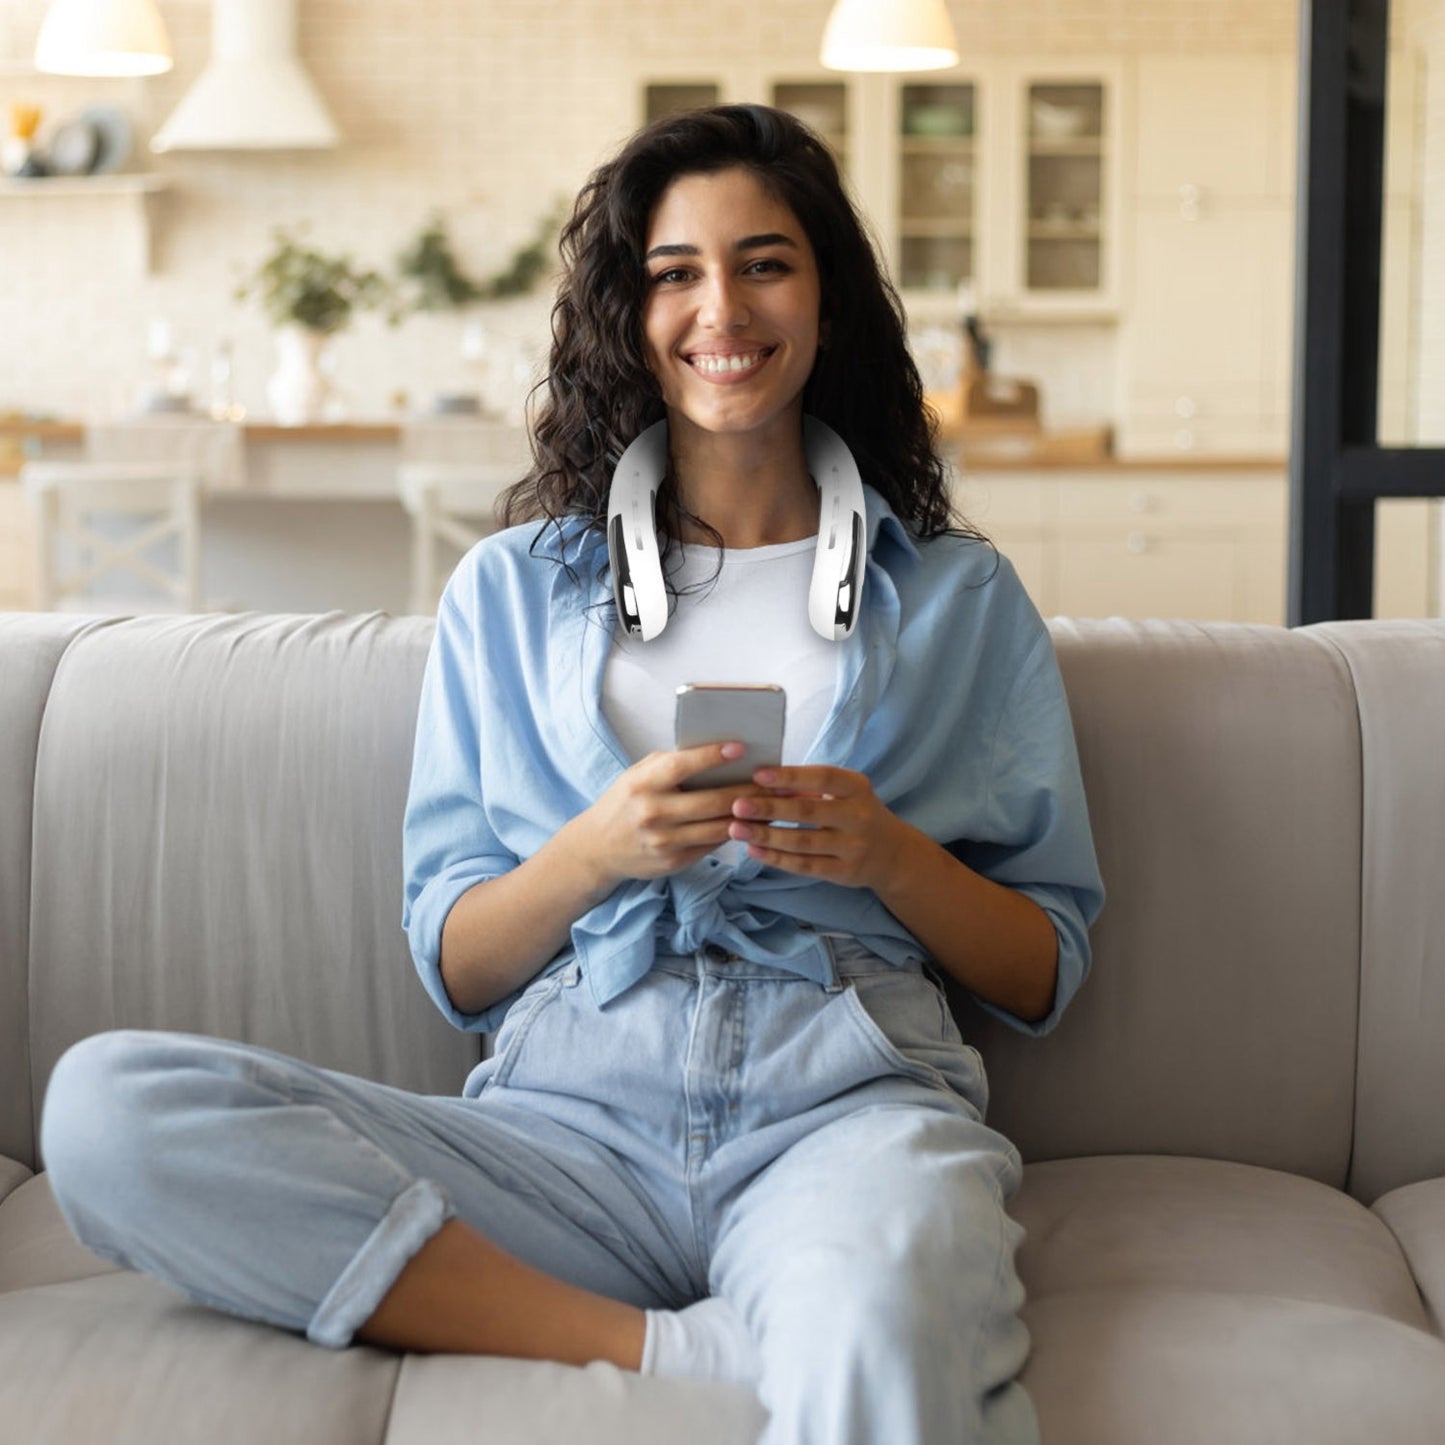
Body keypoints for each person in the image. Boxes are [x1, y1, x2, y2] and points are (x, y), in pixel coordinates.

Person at [40, 104, 1103, 1445]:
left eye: (765, 261)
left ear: (827, 299)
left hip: (845, 1105)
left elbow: (1043, 964)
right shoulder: (507, 592)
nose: (721, 305)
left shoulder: (960, 598)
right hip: (566, 1122)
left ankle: (787, 1311)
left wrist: (889, 854)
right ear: (629, 310)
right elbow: (459, 963)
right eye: (674, 272)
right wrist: (592, 852)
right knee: (108, 1107)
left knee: (886, 1337)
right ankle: (664, 1345)